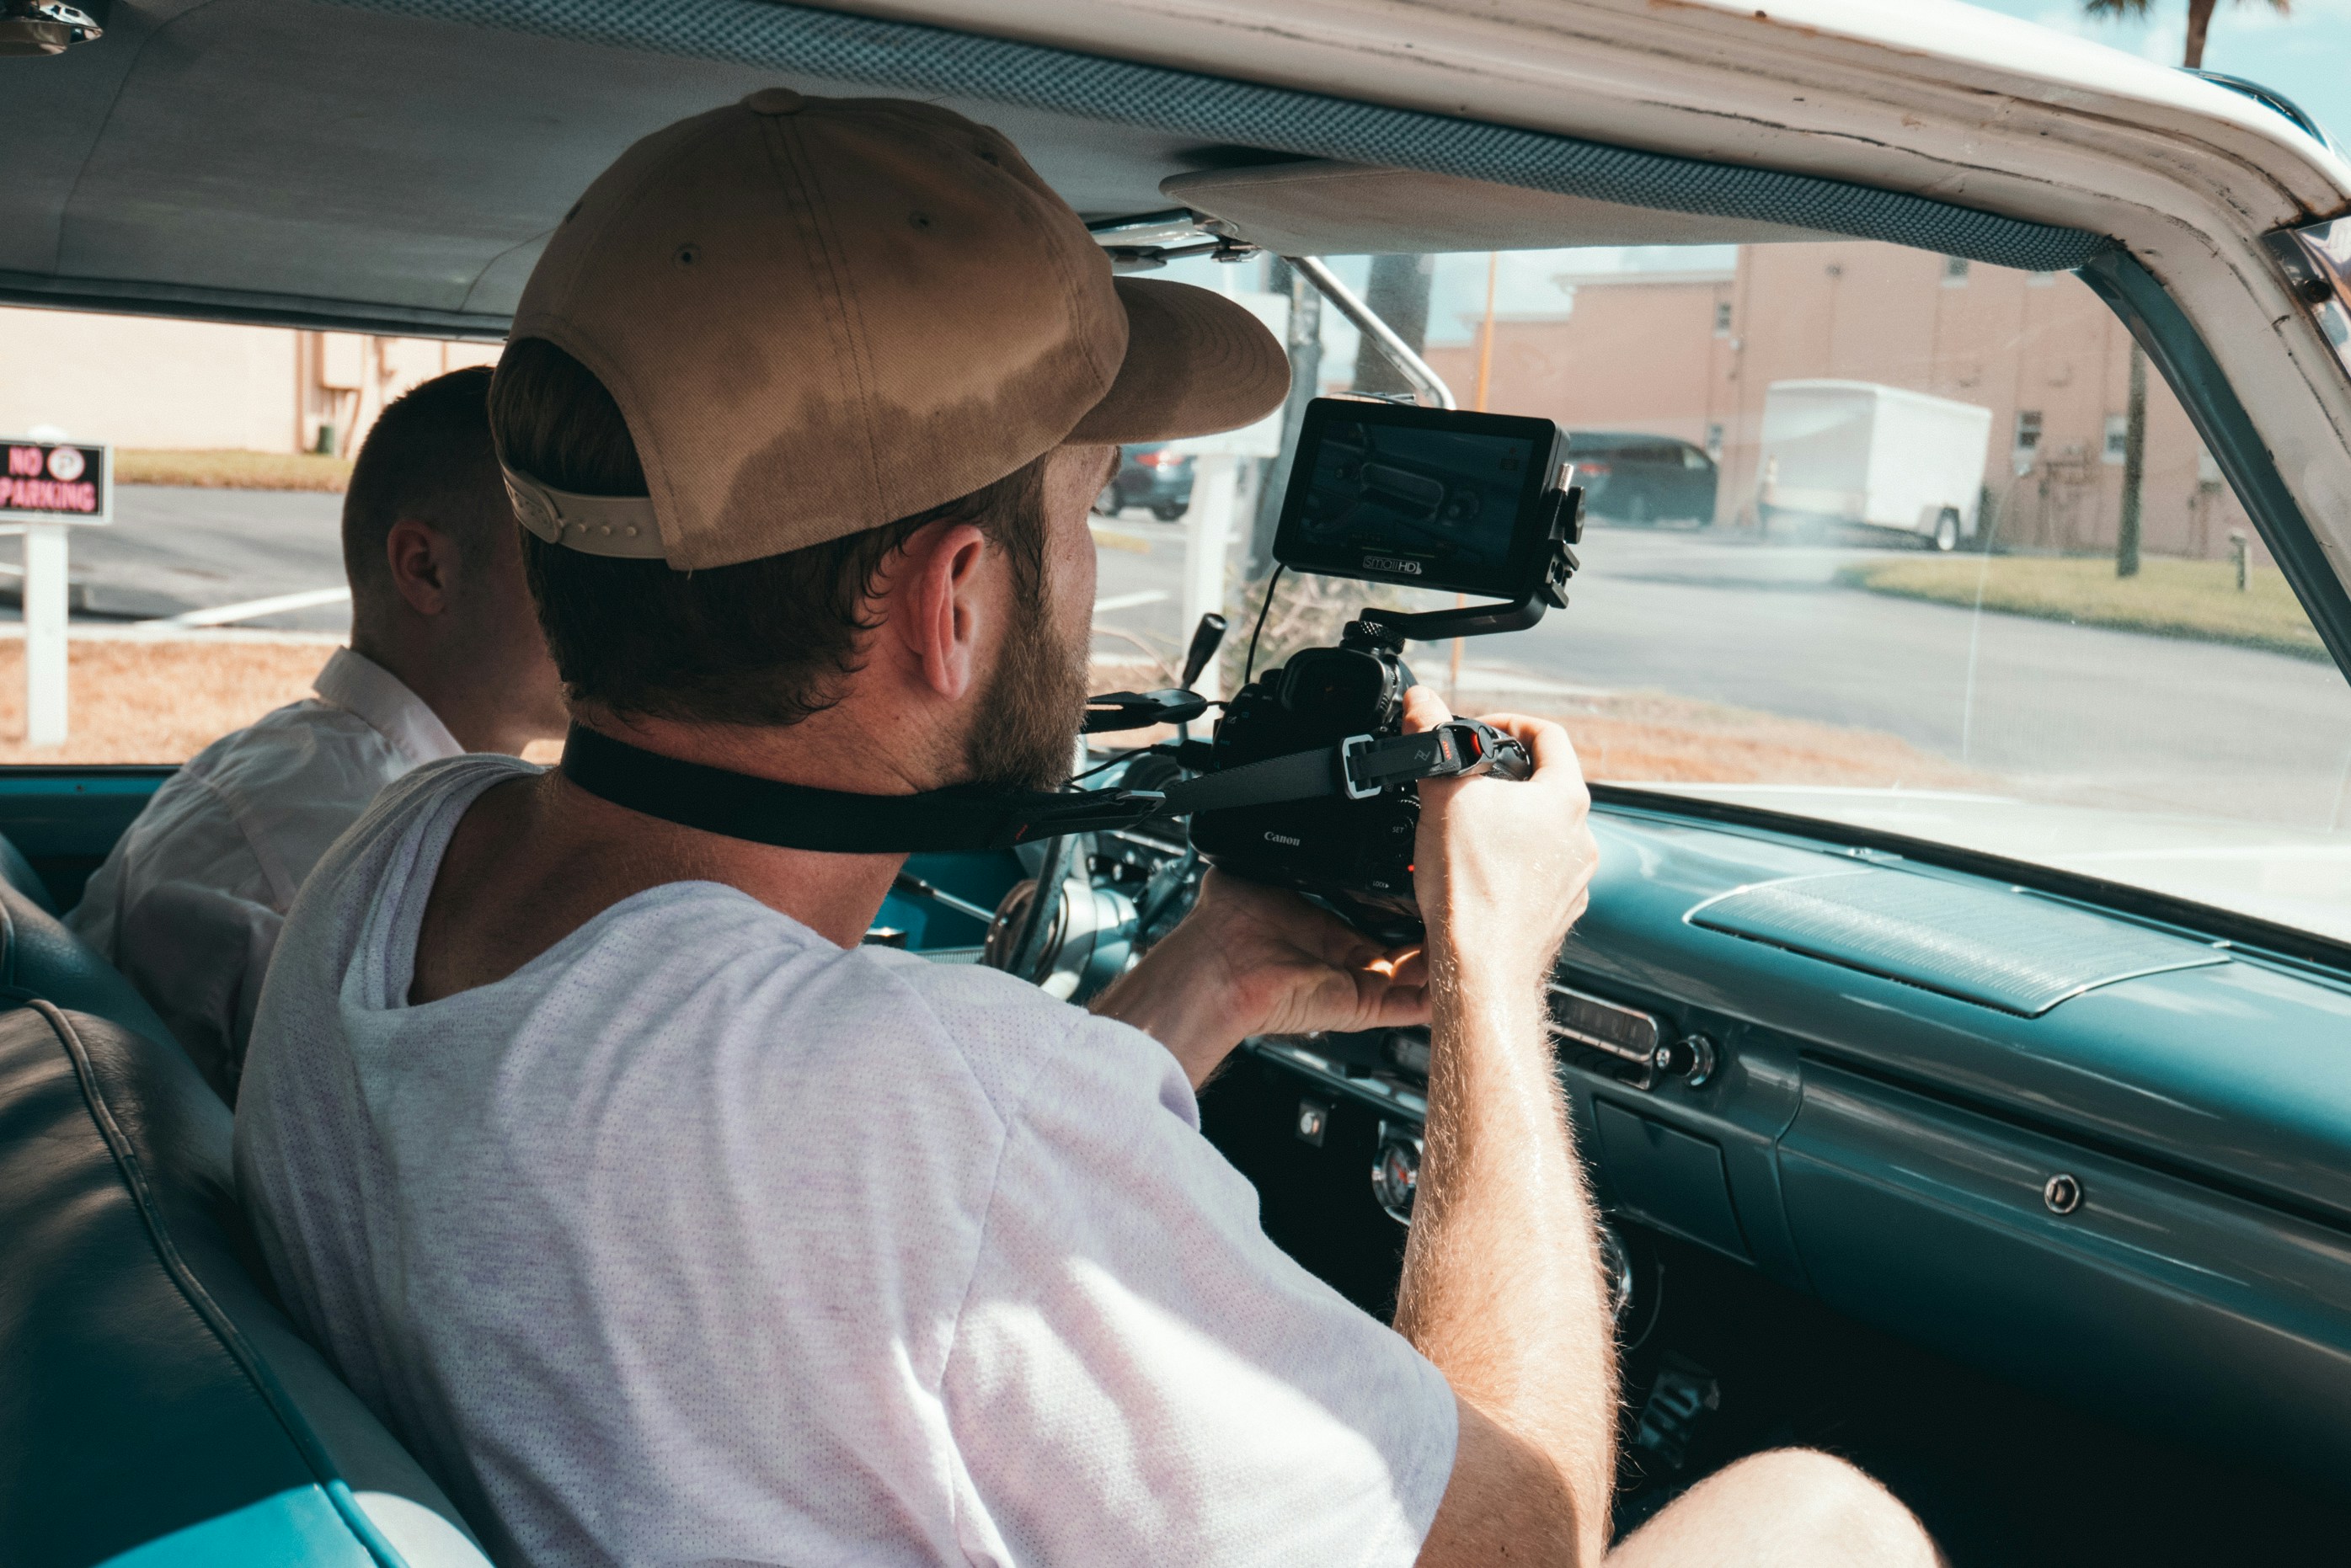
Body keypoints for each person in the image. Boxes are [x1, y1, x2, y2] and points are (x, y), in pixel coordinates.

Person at [234, 93, 1939, 1566]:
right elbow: (1523, 1536)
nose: (1099, 562)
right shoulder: (912, 1101)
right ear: (951, 604)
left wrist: (1216, 975)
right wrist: (1495, 975)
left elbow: (870, 1241)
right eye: (1084, 505)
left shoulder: (382, 868)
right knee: (1819, 1514)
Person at [70, 367, 568, 1101]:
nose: (607, 608)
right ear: (424, 569)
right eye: (558, 559)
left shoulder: (277, 769)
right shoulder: (357, 882)